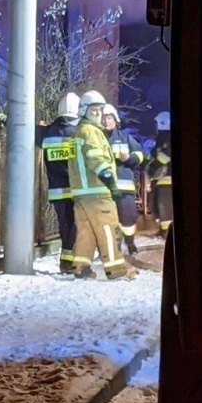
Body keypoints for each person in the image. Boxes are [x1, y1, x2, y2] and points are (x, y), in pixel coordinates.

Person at [67, 91, 135, 280]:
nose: (98, 114)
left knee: (86, 231)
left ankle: (81, 267)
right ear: (84, 111)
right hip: (97, 192)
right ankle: (116, 269)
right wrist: (111, 184)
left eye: (100, 110)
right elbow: (96, 159)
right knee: (108, 228)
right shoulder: (91, 132)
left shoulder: (79, 132)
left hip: (82, 193)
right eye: (94, 110)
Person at [39, 93, 82, 273]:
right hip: (77, 189)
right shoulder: (81, 132)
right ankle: (69, 262)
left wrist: (5, 120)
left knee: (65, 224)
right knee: (76, 225)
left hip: (57, 190)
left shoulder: (47, 132)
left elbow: (24, 129)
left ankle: (66, 261)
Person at [102, 104, 148, 256]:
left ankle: (130, 243)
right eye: (103, 118)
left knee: (128, 218)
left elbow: (141, 155)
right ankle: (114, 248)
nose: (106, 121)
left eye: (109, 118)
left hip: (125, 187)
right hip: (105, 188)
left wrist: (130, 158)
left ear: (115, 120)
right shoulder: (98, 139)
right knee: (109, 220)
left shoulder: (126, 138)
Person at [145, 110, 173, 233]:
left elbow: (164, 156)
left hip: (168, 179)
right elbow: (151, 156)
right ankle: (163, 229)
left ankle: (167, 232)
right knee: (157, 204)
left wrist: (152, 168)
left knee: (164, 205)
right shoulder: (160, 140)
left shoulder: (168, 138)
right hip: (159, 179)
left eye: (157, 124)